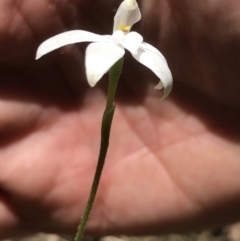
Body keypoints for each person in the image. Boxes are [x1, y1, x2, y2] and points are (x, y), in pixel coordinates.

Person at [0, 0, 240, 239]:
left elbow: (164, 81)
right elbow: (64, 55)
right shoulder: (107, 43)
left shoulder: (144, 50)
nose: (129, 11)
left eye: (132, 11)